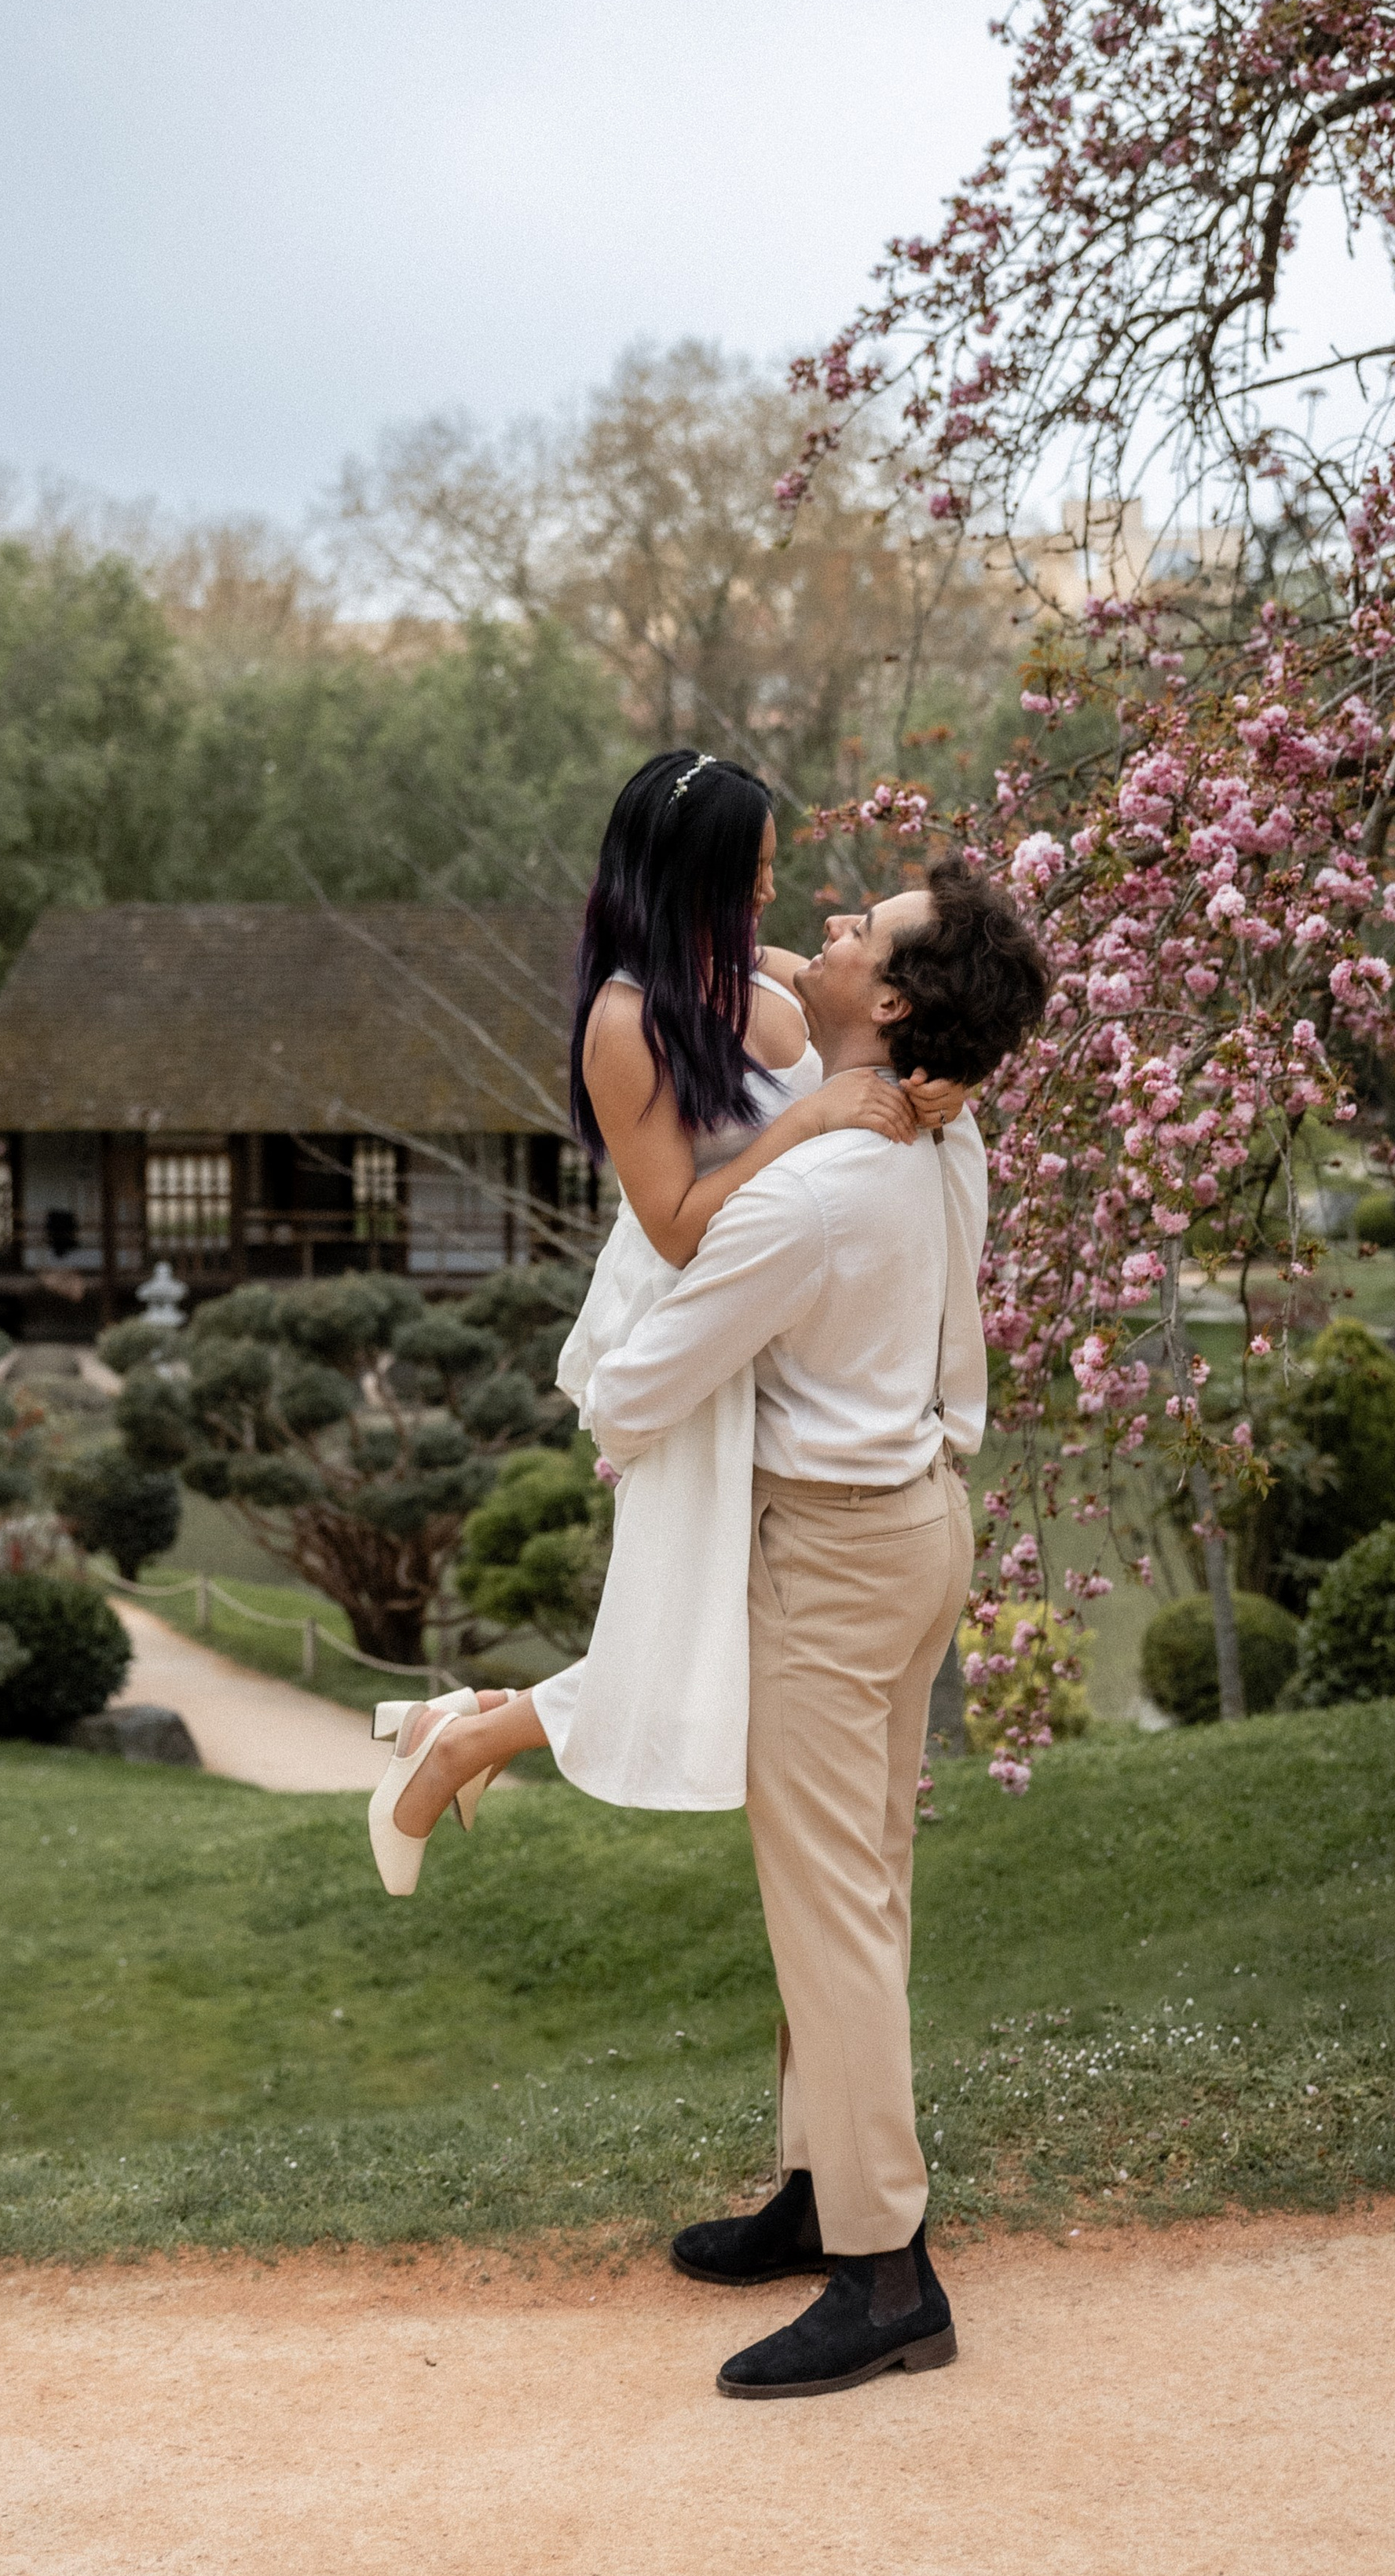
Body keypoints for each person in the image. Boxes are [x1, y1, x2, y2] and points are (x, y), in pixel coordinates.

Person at [591, 855, 1049, 2399]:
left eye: (864, 934)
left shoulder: (809, 1186)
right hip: (922, 1530)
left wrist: (630, 1394)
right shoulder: (945, 1128)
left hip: (834, 1563)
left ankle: (882, 2274)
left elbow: (631, 1391)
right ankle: (818, 2192)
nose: (829, 934)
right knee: (865, 1883)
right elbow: (805, 986)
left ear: (896, 1003)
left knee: (829, 1909)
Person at [368, 748, 963, 1885]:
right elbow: (680, 1224)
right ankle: (454, 1749)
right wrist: (815, 1124)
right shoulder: (628, 1024)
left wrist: (941, 1083)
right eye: (749, 882)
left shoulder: (771, 974)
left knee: (708, 1632)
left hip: (782, 1329)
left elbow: (882, 1039)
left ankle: (462, 1732)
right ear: (687, 881)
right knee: (696, 1632)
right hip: (694, 1331)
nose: (769, 904)